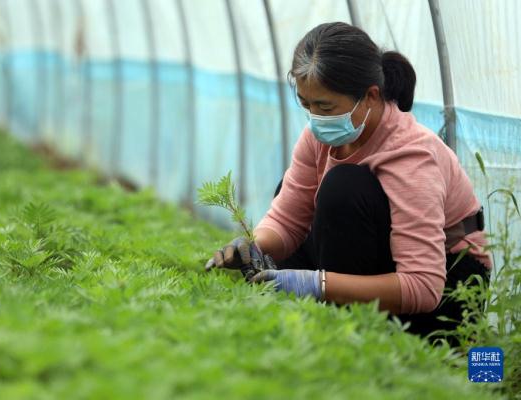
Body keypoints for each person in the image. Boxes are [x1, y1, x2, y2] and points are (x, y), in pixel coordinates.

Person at [204, 22, 492, 346]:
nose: (314, 118)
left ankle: (348, 328)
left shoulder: (411, 156)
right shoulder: (320, 136)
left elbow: (422, 286)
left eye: (325, 107)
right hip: (384, 259)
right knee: (292, 187)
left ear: (370, 96)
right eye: (306, 105)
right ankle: (335, 320)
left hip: (449, 285)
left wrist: (318, 285)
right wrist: (253, 246)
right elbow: (287, 218)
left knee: (343, 189)